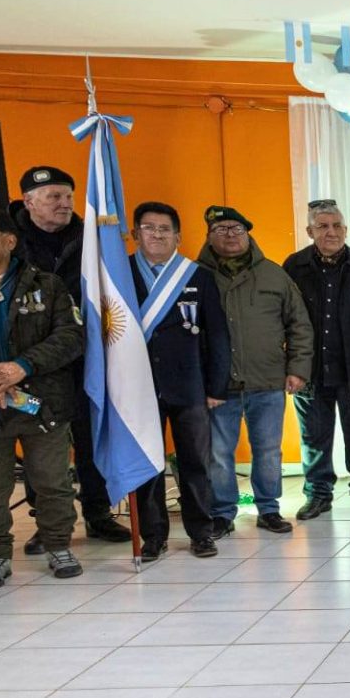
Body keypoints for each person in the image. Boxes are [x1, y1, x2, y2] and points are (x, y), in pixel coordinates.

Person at [0, 203, 85, 588]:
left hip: (42, 402)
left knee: (52, 482)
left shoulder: (48, 285)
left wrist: (21, 367)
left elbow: (71, 337)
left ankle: (58, 545)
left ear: (9, 241)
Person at [10, 165, 131, 545]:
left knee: (91, 439)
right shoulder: (9, 241)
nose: (64, 204)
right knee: (40, 442)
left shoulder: (92, 236)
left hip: (85, 357)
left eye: (68, 197)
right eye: (54, 197)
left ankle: (98, 514)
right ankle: (47, 524)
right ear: (29, 202)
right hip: (31, 362)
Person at [197, 206, 313, 537]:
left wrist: (298, 368)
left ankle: (269, 509)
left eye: (237, 229)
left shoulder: (274, 275)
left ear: (248, 234)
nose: (230, 235)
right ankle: (222, 513)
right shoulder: (195, 276)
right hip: (218, 386)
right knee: (219, 453)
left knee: (268, 450)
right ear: (209, 236)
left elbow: (299, 324)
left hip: (267, 380)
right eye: (221, 229)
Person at [127, 202, 231, 561]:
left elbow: (217, 334)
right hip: (137, 387)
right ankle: (153, 536)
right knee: (147, 464)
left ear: (178, 236)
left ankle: (201, 532)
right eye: (149, 228)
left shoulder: (198, 276)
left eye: (164, 229)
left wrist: (216, 387)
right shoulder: (120, 274)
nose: (157, 235)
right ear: (135, 233)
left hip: (190, 386)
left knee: (195, 463)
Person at [282, 200, 350, 521]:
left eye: (337, 225)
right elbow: (282, 319)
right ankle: (318, 495)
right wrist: (289, 366)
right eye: (323, 226)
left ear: (346, 229)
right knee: (314, 437)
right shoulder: (293, 268)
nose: (332, 232)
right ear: (309, 231)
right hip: (309, 371)